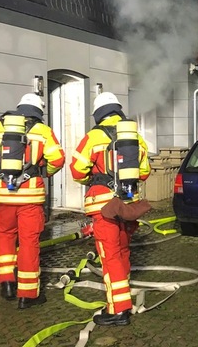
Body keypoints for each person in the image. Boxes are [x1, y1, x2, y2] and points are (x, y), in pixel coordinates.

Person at [0, 93, 66, 309]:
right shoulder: (43, 131)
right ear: (39, 111)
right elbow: (58, 159)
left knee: (4, 234)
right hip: (31, 196)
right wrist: (45, 172)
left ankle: (7, 283)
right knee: (29, 242)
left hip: (3, 196)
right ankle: (27, 295)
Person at [69, 91, 151, 326]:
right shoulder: (135, 136)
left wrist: (95, 178)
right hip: (127, 205)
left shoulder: (93, 137)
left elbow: (77, 171)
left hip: (103, 206)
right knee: (123, 252)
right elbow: (144, 172)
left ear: (98, 114)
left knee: (111, 257)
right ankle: (120, 301)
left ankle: (118, 310)